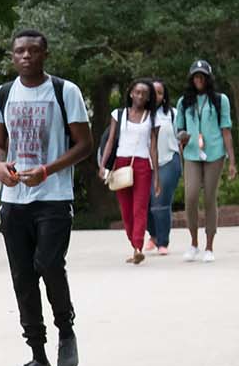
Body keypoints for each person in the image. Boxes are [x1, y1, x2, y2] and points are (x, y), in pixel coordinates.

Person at [0, 29, 91, 366]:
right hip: (14, 200)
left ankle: (66, 329)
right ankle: (38, 356)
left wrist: (48, 170)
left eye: (32, 51)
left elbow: (84, 144)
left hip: (54, 198)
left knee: (48, 264)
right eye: (19, 51)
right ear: (12, 57)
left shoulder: (65, 91)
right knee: (22, 277)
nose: (25, 56)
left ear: (45, 54)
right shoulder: (3, 94)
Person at [175, 59, 234, 263]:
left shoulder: (220, 99)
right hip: (192, 153)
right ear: (191, 79)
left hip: (215, 153)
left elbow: (226, 130)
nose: (198, 79)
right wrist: (182, 136)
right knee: (190, 198)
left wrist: (232, 161)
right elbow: (178, 129)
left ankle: (209, 246)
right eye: (195, 76)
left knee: (210, 198)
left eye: (202, 76)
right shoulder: (184, 101)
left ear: (208, 78)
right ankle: (193, 243)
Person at [99, 79, 159, 264]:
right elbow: (110, 142)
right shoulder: (119, 114)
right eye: (137, 92)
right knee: (125, 210)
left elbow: (153, 148)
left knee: (139, 207)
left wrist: (156, 175)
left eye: (144, 93)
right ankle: (134, 244)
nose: (140, 96)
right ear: (131, 93)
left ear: (148, 97)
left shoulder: (152, 117)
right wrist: (103, 166)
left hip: (142, 165)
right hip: (121, 163)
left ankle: (138, 248)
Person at [145, 79, 181, 255]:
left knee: (160, 202)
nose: (156, 96)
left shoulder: (173, 114)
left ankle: (162, 242)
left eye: (159, 92)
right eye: (152, 92)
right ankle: (153, 235)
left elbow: (181, 138)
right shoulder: (139, 114)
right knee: (143, 204)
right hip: (146, 163)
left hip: (168, 161)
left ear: (164, 96)